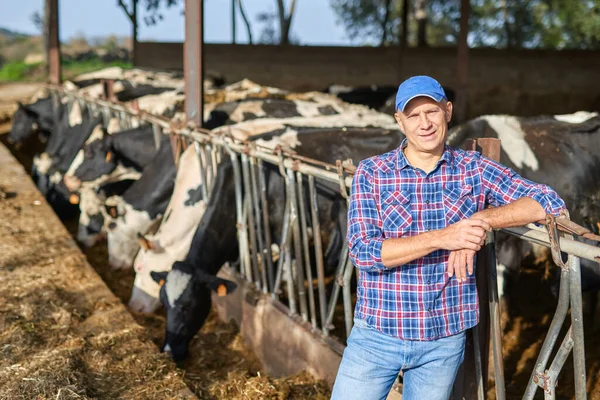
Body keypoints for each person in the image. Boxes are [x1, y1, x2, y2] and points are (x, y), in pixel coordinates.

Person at [330, 75, 565, 400]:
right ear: (400, 121)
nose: (424, 123)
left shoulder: (474, 169)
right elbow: (364, 252)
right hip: (378, 334)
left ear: (448, 111)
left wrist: (481, 219)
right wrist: (445, 237)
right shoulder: (374, 173)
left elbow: (548, 201)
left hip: (442, 340)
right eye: (413, 115)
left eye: (432, 112)